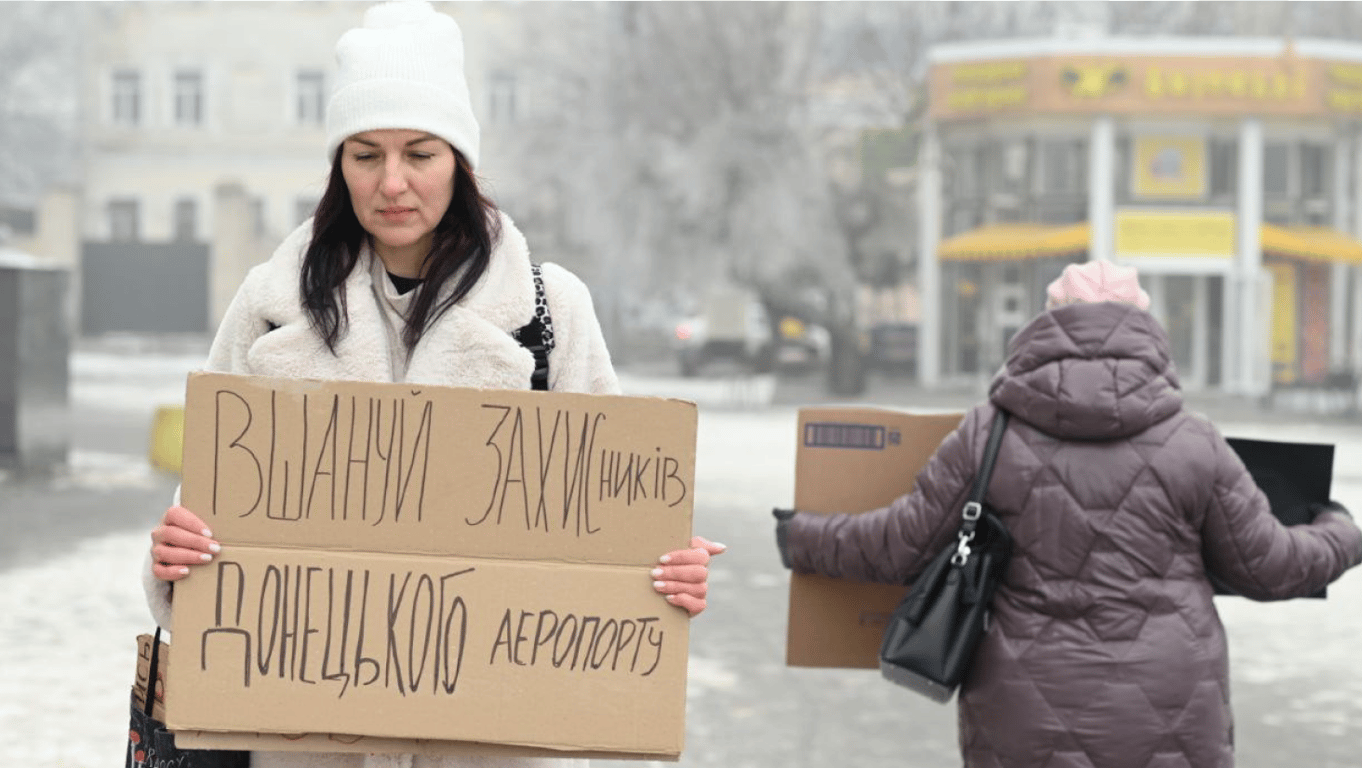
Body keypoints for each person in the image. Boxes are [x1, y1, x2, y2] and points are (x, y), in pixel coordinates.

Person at [143, 3, 723, 766]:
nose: (392, 183)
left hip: (491, 744)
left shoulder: (550, 312)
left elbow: (612, 527)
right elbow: (213, 508)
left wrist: (665, 570)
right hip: (308, 740)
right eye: (364, 154)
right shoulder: (268, 305)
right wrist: (175, 552)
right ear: (336, 163)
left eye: (419, 153)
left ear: (460, 158)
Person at [774, 260, 1362, 768]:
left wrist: (803, 536)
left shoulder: (988, 433)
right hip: (1172, 711)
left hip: (1025, 718)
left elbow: (899, 544)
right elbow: (1273, 567)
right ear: (1145, 330)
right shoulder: (1193, 442)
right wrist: (1340, 531)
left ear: (1047, 324)